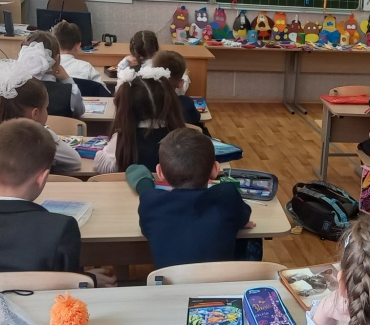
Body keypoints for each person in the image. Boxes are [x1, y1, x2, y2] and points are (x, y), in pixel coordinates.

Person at [0, 119, 115, 286]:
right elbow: (64, 287)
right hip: (40, 307)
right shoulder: (61, 228)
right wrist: (87, 279)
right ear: (42, 177)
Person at [125, 128, 254, 269]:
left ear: (160, 172)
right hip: (219, 283)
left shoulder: (150, 202)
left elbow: (146, 229)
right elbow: (244, 216)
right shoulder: (227, 195)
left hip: (170, 283)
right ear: (215, 169)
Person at [0, 46, 81, 178]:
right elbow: (74, 162)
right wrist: (45, 131)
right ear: (35, 114)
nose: (47, 113)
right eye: (46, 108)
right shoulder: (39, 138)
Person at [93, 65, 184, 173]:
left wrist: (102, 151)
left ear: (127, 107)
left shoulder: (123, 138)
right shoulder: (182, 138)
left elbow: (100, 164)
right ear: (167, 102)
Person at [22, 31, 85, 118]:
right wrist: (67, 79)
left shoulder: (14, 92)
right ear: (58, 60)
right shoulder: (71, 92)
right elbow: (80, 111)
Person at [152, 50, 209, 135]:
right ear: (181, 83)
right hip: (179, 141)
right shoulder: (186, 103)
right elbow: (196, 118)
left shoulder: (143, 102)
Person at [118, 30, 191, 93]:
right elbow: (180, 88)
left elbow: (120, 74)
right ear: (156, 47)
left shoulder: (130, 72)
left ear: (134, 52)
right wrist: (186, 76)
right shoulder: (167, 66)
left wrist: (126, 59)